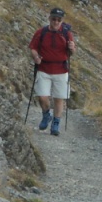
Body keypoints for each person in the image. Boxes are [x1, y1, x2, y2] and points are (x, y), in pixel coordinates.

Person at [29, 7, 76, 137]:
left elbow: (72, 52)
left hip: (61, 70)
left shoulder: (66, 33)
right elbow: (33, 48)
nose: (56, 22)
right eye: (54, 19)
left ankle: (56, 123)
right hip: (44, 69)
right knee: (42, 97)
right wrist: (36, 57)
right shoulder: (41, 32)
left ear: (62, 21)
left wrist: (72, 48)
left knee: (59, 98)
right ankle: (46, 115)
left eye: (58, 20)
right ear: (49, 18)